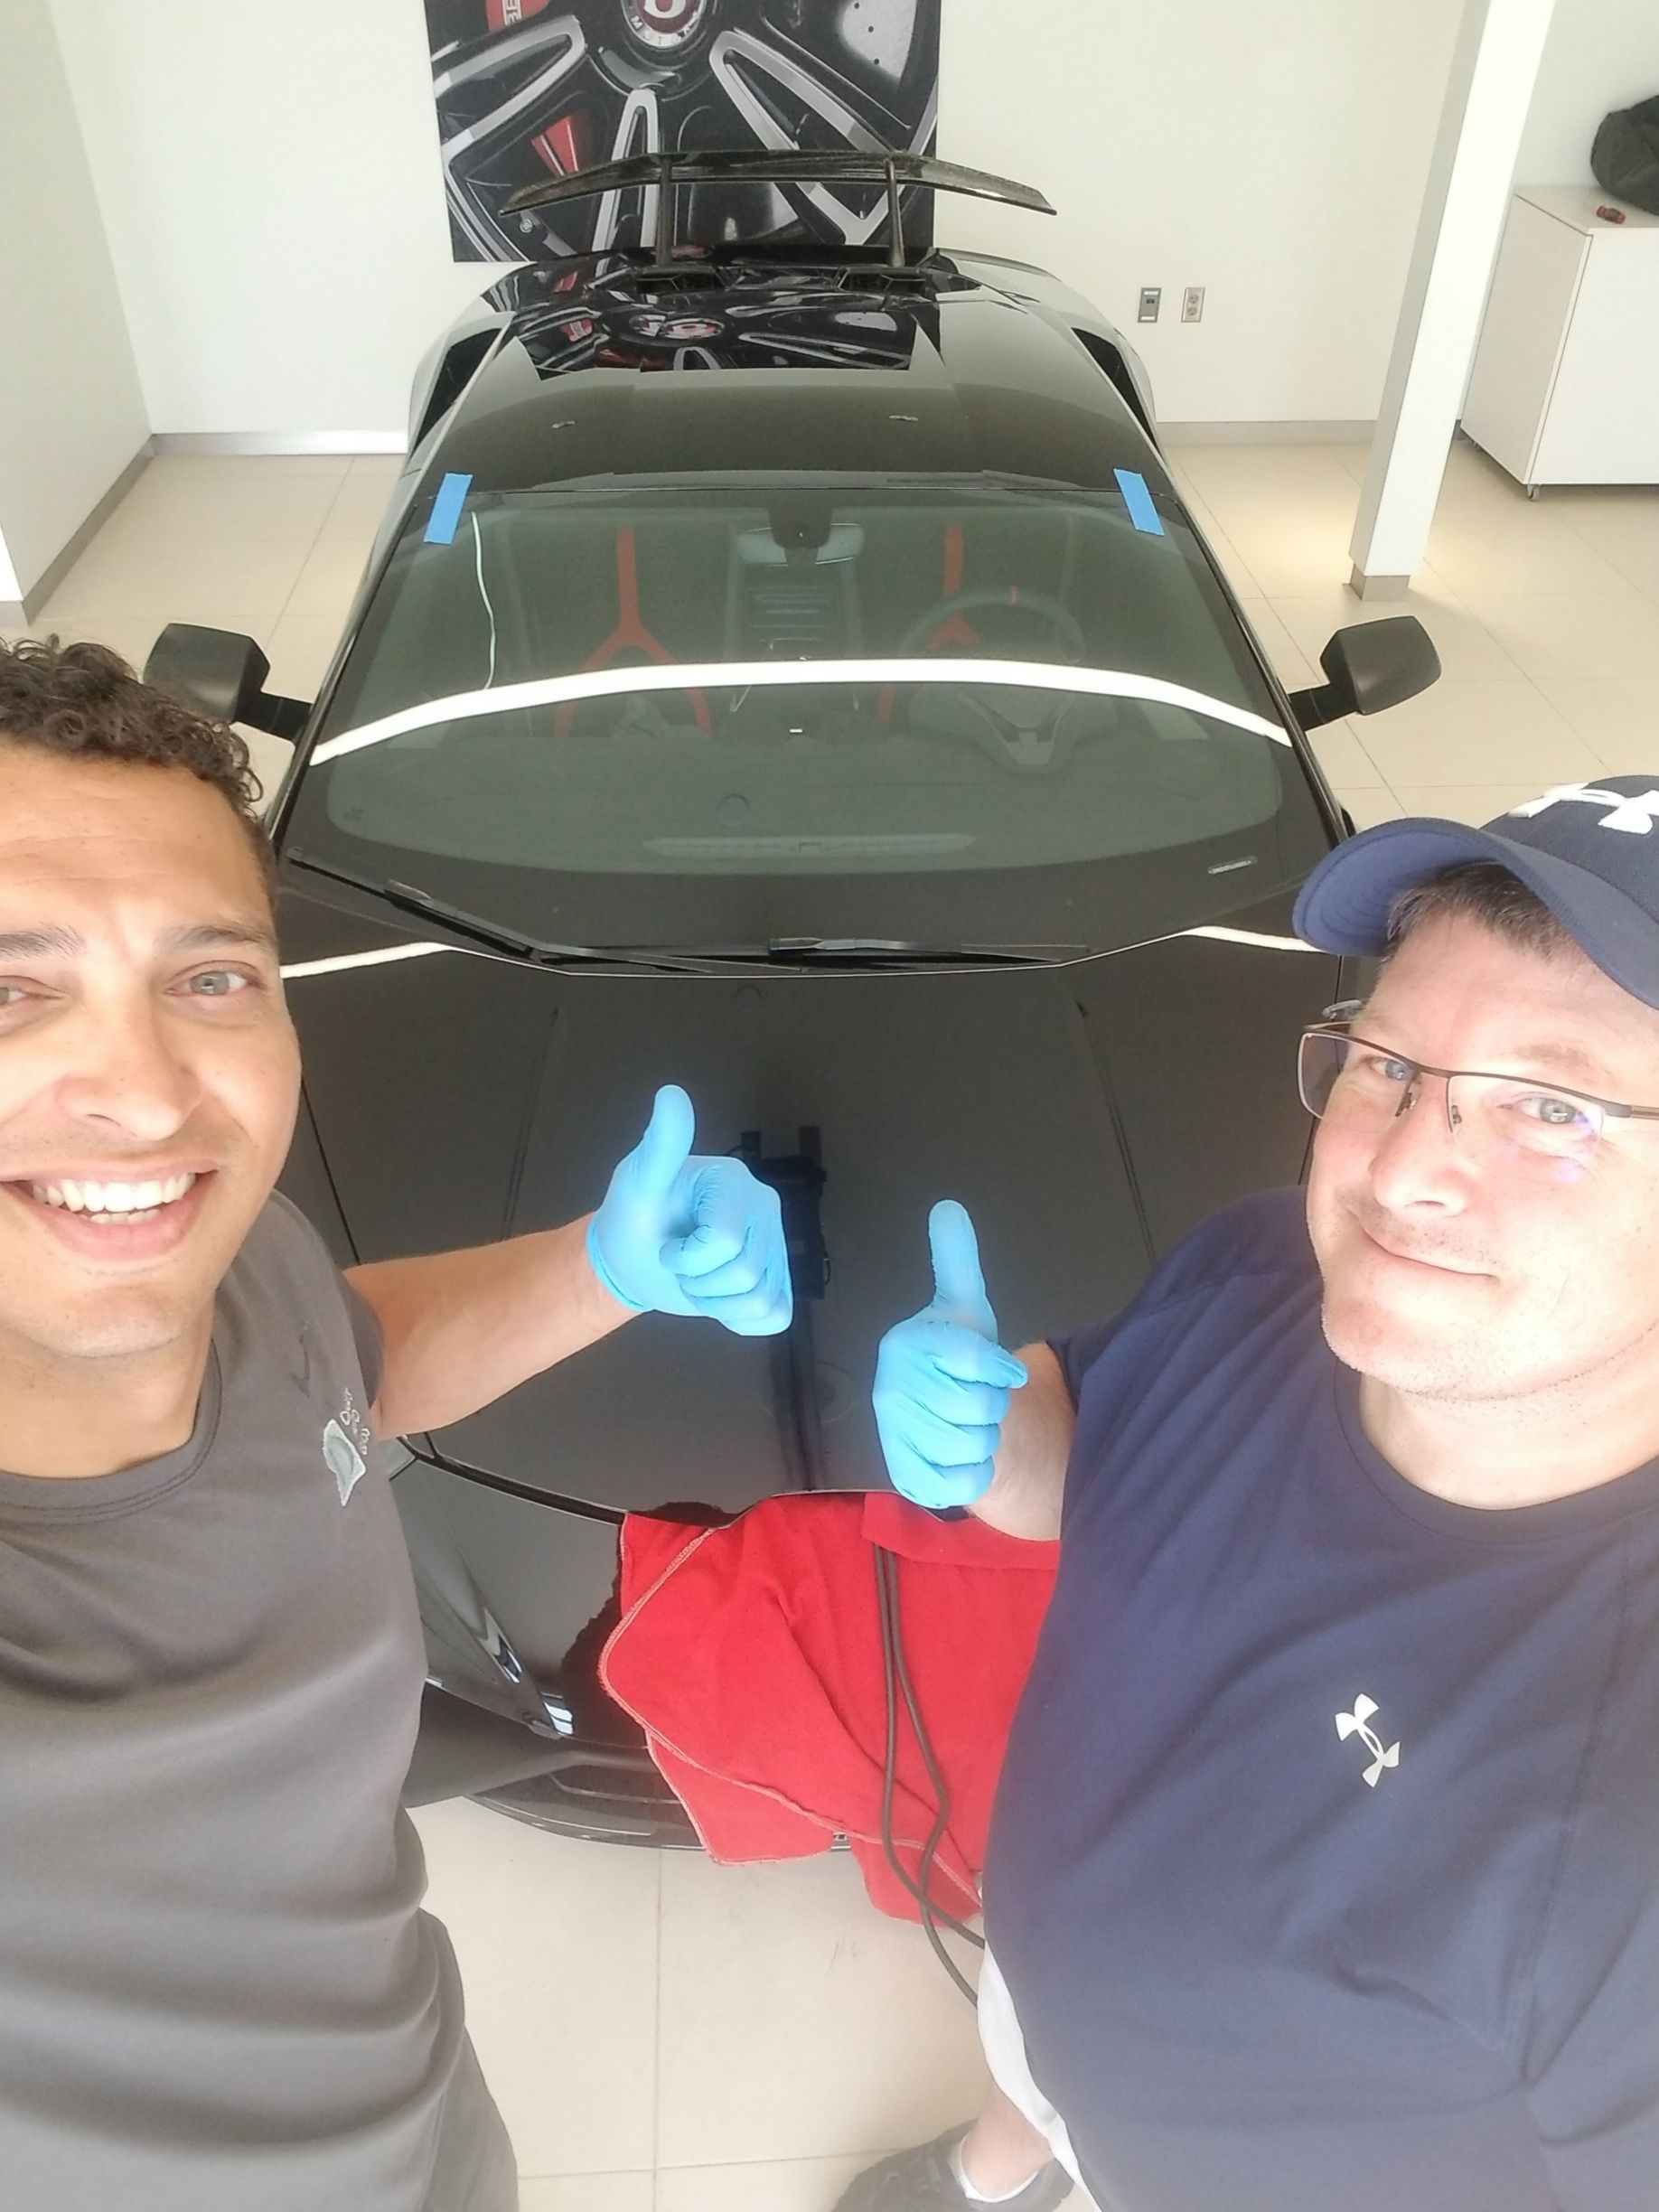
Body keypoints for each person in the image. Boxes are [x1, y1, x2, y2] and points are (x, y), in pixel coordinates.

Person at [0, 636, 792, 2211]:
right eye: (14, 989)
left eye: (210, 978)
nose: (146, 1097)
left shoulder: (247, 1259)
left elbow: (344, 1360)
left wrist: (606, 1266)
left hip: (425, 2119)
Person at [847, 778, 1659, 2212]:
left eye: (1551, 1106)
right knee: (1035, 2048)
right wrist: (997, 1434)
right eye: (1389, 1064)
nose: (1400, 1170)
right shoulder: (1257, 1267)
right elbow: (1101, 1457)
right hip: (1047, 1980)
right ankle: (1002, 2165)